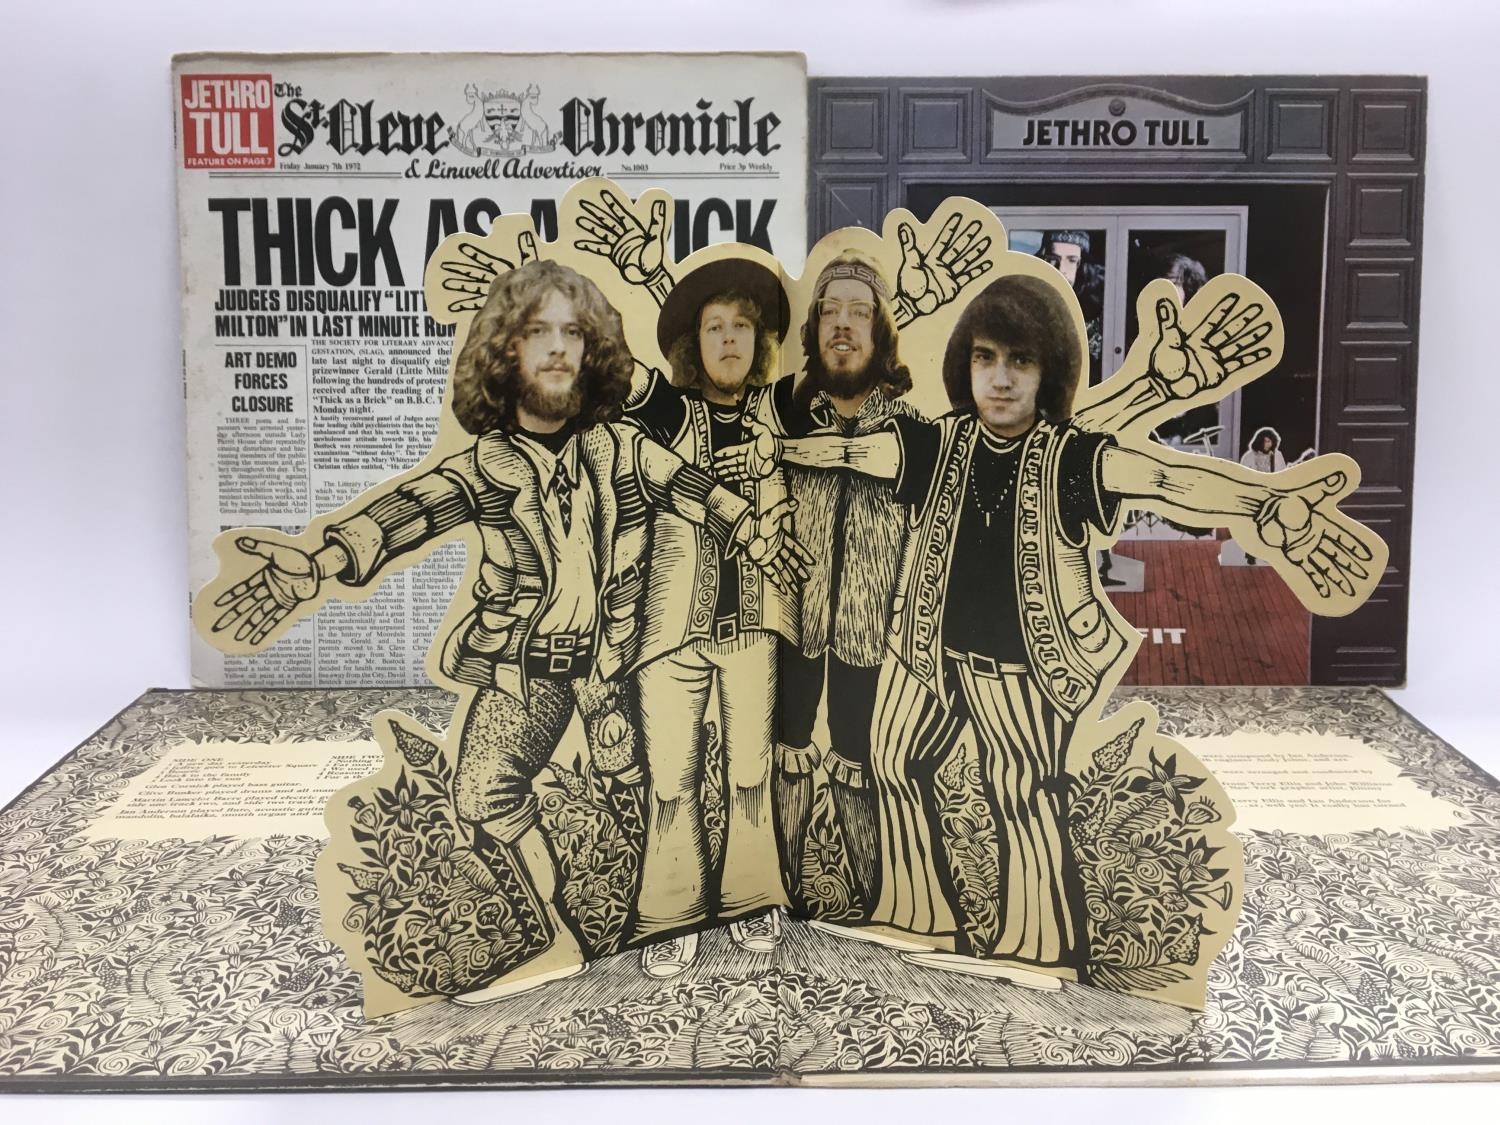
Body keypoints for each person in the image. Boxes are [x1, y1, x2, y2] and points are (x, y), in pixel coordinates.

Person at [717, 272, 1378, 982]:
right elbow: (854, 453)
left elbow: (1164, 479)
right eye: (985, 358)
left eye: (1021, 361)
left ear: (1049, 372)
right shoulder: (942, 440)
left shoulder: (1072, 458)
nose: (1000, 379)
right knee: (894, 759)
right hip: (931, 657)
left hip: (1025, 667)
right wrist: (778, 453)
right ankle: (915, 914)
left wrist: (1260, 501)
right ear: (965, 365)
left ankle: (1035, 943)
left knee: (1020, 792)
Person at [201, 258, 810, 1003]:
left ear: (592, 350)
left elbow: (686, 483)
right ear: (505, 350)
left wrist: (747, 525)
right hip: (529, 670)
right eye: (536, 332)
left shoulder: (615, 445)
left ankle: (703, 907)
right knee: (483, 791)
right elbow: (408, 512)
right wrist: (322, 562)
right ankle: (563, 936)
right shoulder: (485, 466)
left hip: (612, 667)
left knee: (669, 780)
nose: (557, 348)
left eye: (572, 333)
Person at [620, 255, 804, 975]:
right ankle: (671, 912)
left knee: (751, 770)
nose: (729, 340)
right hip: (673, 629)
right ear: (691, 346)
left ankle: (750, 900)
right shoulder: (668, 410)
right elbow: (622, 375)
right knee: (671, 776)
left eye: (742, 327)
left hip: (754, 625)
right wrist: (646, 274)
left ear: (760, 341)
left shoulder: (777, 413)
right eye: (714, 327)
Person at [772, 251, 922, 917]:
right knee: (789, 749)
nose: (842, 323)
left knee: (857, 755)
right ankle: (786, 883)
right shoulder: (781, 410)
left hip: (873, 633)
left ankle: (868, 895)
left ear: (881, 330)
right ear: (812, 326)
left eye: (859, 312)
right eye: (829, 310)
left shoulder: (912, 428)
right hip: (793, 623)